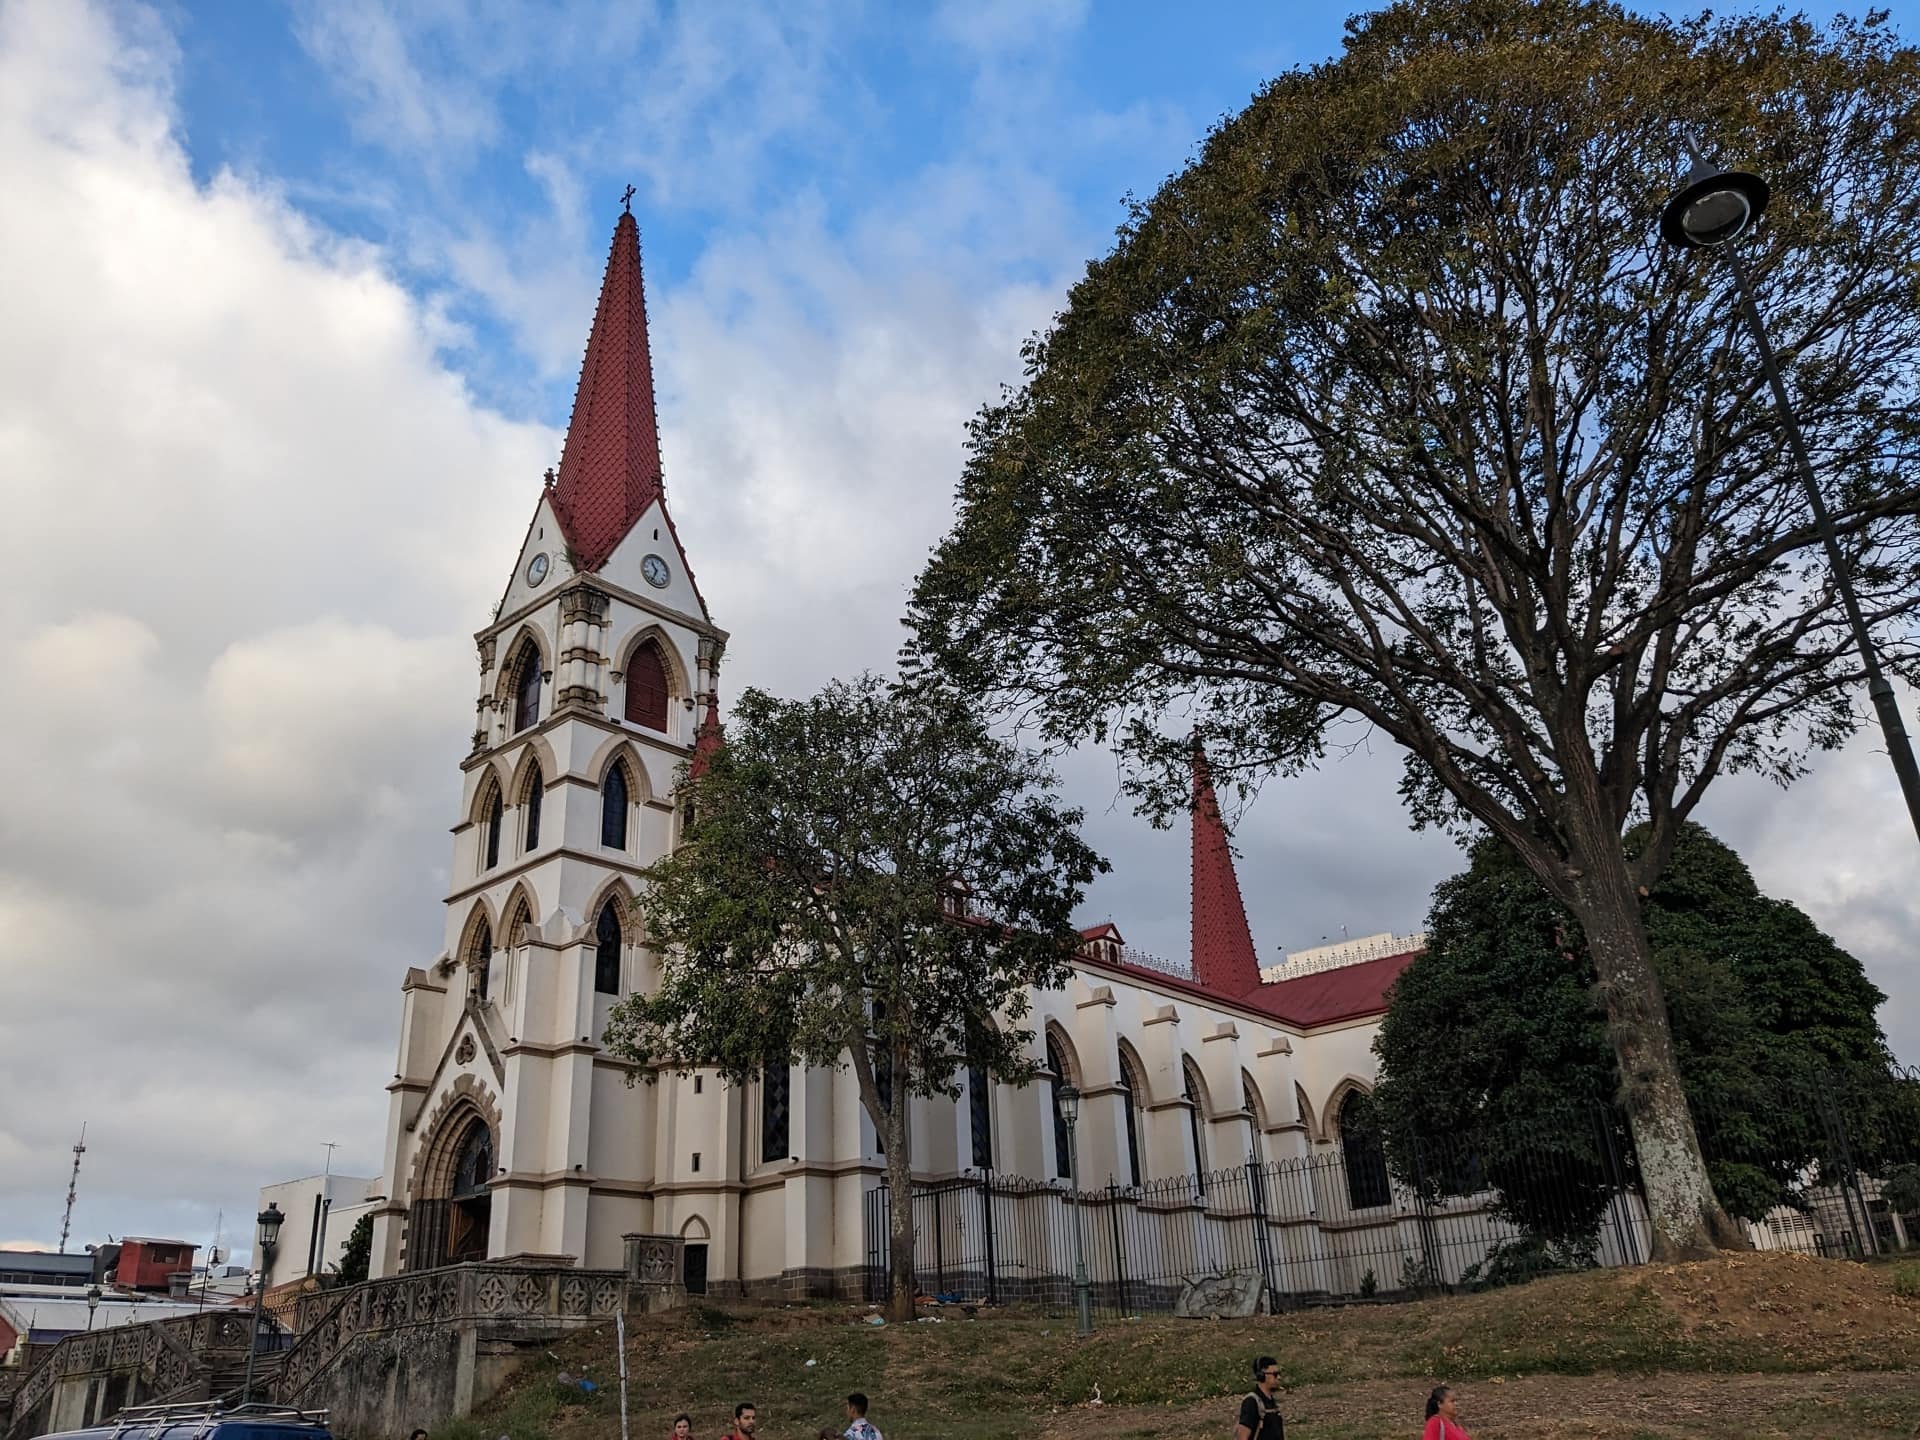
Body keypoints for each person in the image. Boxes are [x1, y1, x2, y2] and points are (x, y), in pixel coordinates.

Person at [1235, 1357, 1284, 1439]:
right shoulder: (1252, 1402)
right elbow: (1242, 1436)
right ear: (1261, 1375)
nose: (1278, 1377)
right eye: (1275, 1374)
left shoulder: (1271, 1403)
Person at [817, 1391, 882, 1440]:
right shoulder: (877, 1432)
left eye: (847, 1408)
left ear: (853, 1409)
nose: (846, 1411)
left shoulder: (851, 1434)